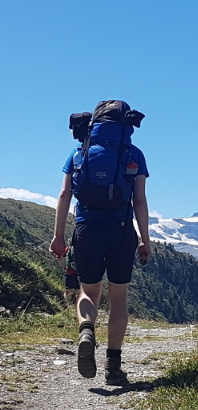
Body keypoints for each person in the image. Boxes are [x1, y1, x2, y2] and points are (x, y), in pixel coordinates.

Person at [50, 100, 151, 386]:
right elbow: (139, 200)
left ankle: (85, 329)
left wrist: (59, 236)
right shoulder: (133, 154)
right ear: (125, 125)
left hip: (87, 229)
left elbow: (63, 196)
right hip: (121, 231)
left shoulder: (79, 152)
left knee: (89, 291)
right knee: (118, 298)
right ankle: (113, 366)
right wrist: (144, 240)